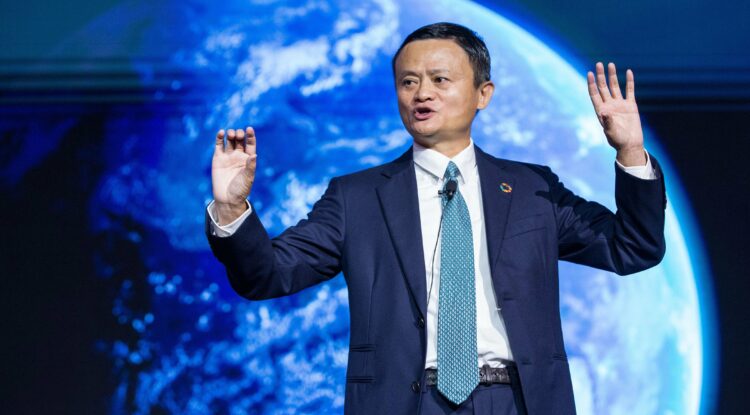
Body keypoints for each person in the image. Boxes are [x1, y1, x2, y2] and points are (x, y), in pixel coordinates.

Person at [205, 22, 665, 415]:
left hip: (517, 401)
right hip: (408, 402)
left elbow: (632, 248)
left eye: (440, 79)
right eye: (408, 82)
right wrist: (231, 209)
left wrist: (630, 151)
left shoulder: (532, 189)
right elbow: (266, 275)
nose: (422, 93)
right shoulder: (356, 198)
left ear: (483, 94)